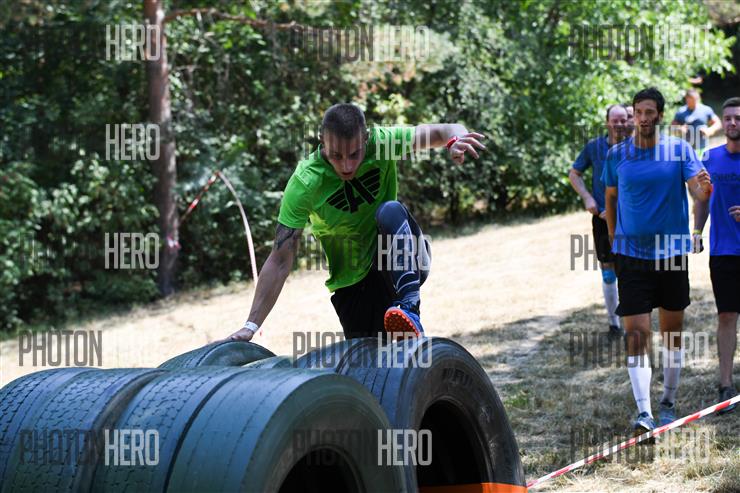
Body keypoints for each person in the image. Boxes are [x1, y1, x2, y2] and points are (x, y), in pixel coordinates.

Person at [223, 103, 485, 342]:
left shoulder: (383, 143)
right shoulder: (305, 182)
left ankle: (409, 305)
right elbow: (280, 260)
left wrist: (456, 140)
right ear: (322, 142)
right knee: (373, 370)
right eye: (336, 155)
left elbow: (444, 130)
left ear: (366, 139)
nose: (347, 165)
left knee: (391, 210)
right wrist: (251, 325)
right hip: (352, 286)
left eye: (354, 154)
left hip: (400, 259)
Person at [603, 87, 712, 433]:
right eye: (639, 112)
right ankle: (644, 413)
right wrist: (613, 237)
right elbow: (610, 197)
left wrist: (704, 190)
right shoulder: (617, 155)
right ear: (633, 115)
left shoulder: (679, 149)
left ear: (660, 115)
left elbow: (698, 191)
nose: (643, 118)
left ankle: (668, 401)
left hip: (672, 255)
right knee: (637, 334)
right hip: (631, 257)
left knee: (672, 332)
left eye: (650, 112)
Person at [692, 97, 740, 414]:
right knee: (726, 316)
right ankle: (725, 384)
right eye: (728, 118)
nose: (733, 123)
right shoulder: (710, 157)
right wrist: (697, 230)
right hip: (723, 251)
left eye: (738, 118)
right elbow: (702, 199)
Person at [568, 104, 630, 340]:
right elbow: (574, 173)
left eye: (623, 119)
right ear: (607, 122)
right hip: (602, 220)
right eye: (615, 120)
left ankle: (632, 320)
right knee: (608, 272)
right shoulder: (594, 147)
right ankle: (614, 324)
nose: (620, 124)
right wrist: (587, 197)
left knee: (631, 270)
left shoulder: (637, 146)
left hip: (631, 220)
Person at [671, 89, 722, 155]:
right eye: (690, 99)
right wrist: (679, 129)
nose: (693, 102)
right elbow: (672, 127)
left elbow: (718, 123)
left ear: (698, 98)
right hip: (686, 149)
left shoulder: (706, 110)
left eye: (694, 99)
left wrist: (710, 130)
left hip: (702, 148)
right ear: (686, 99)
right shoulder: (681, 112)